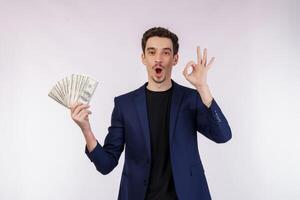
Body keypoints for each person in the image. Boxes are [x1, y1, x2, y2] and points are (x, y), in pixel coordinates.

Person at [70, 27, 232, 200]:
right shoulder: (124, 105)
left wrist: (202, 88)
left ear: (175, 59)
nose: (158, 59)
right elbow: (106, 165)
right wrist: (86, 129)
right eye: (152, 52)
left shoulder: (191, 99)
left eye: (166, 53)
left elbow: (223, 136)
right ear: (143, 58)